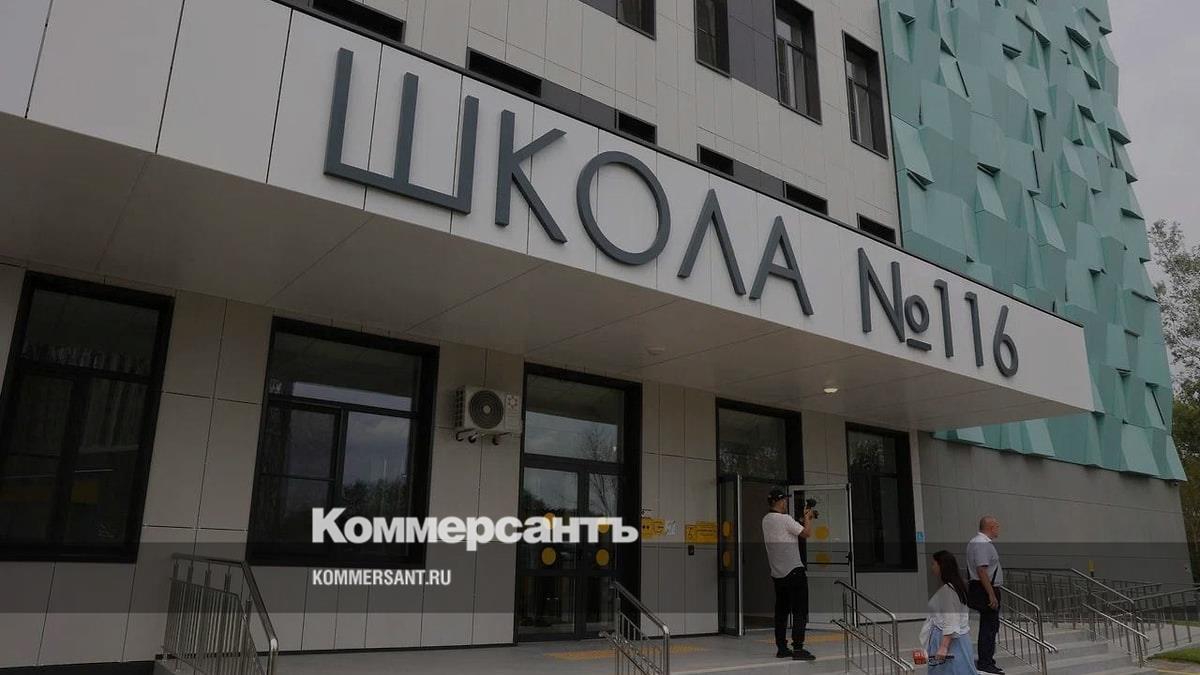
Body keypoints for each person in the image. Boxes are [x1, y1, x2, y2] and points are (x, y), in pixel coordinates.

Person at [761, 487, 815, 661]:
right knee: (800, 610)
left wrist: (801, 520)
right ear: (778, 501)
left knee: (782, 611)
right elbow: (806, 533)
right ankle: (798, 648)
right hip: (794, 570)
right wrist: (808, 518)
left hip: (778, 574)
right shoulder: (785, 519)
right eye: (784, 500)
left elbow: (787, 531)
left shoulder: (766, 520)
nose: (786, 502)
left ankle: (782, 648)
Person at [920, 551, 978, 674]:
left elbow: (951, 620)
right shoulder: (956, 587)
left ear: (941, 566)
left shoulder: (948, 591)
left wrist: (943, 647)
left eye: (934, 564)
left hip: (947, 640)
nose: (932, 567)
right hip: (958, 639)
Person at [966, 516, 1004, 674]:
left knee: (990, 625)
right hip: (985, 588)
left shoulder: (977, 542)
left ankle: (987, 659)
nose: (998, 529)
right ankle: (986, 661)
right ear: (990, 527)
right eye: (997, 526)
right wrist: (991, 594)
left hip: (982, 587)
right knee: (989, 626)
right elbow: (981, 570)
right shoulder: (982, 543)